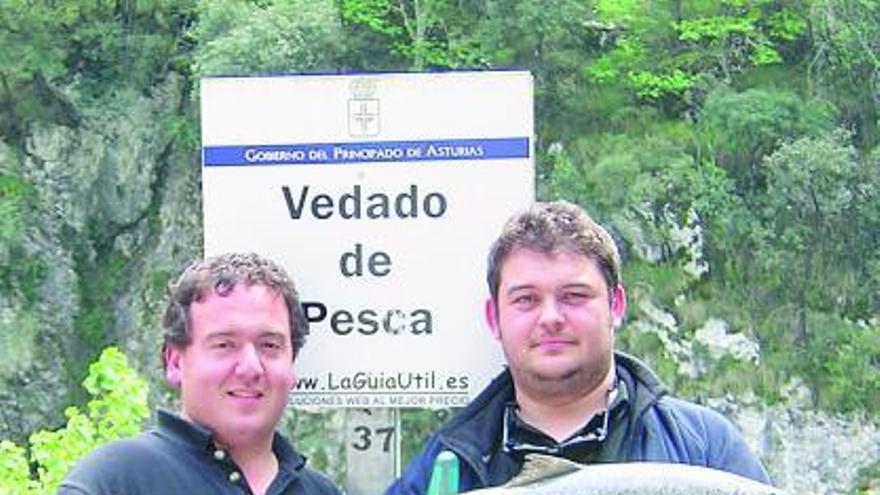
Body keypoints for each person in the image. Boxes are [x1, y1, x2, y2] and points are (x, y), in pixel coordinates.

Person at [387, 201, 771, 494]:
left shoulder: (704, 447)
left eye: (573, 296)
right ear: (494, 318)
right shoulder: (442, 466)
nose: (550, 317)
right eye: (526, 299)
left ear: (615, 305)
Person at [59, 252, 341, 495]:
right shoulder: (114, 481)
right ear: (174, 361)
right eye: (224, 345)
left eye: (269, 345)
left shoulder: (321, 492)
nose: (251, 367)